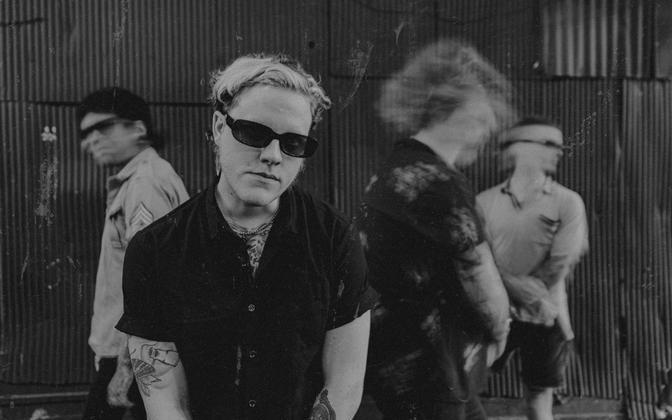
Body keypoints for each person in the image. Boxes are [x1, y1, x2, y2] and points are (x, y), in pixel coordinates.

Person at [115, 53, 374, 419]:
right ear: (219, 127)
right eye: (254, 133)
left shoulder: (334, 239)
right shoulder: (156, 249)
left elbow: (344, 386)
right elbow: (164, 399)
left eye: (293, 143)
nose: (272, 155)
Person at [356, 39, 512, 420]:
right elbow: (475, 269)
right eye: (482, 116)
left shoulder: (394, 169)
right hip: (430, 361)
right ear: (456, 111)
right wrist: (501, 330)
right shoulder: (439, 181)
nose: (488, 128)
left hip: (395, 352)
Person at [78, 87, 190, 419]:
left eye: (103, 127)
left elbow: (152, 280)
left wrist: (126, 366)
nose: (91, 140)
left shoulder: (145, 183)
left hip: (131, 350)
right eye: (86, 133)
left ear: (138, 129)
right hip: (135, 347)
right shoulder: (141, 179)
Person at [476, 116, 589, 420]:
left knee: (538, 403)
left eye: (559, 145)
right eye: (548, 144)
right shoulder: (484, 202)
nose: (559, 151)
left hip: (545, 315)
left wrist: (509, 286)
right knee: (466, 387)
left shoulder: (568, 202)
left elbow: (559, 263)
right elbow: (478, 259)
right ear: (518, 148)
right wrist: (507, 292)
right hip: (492, 311)